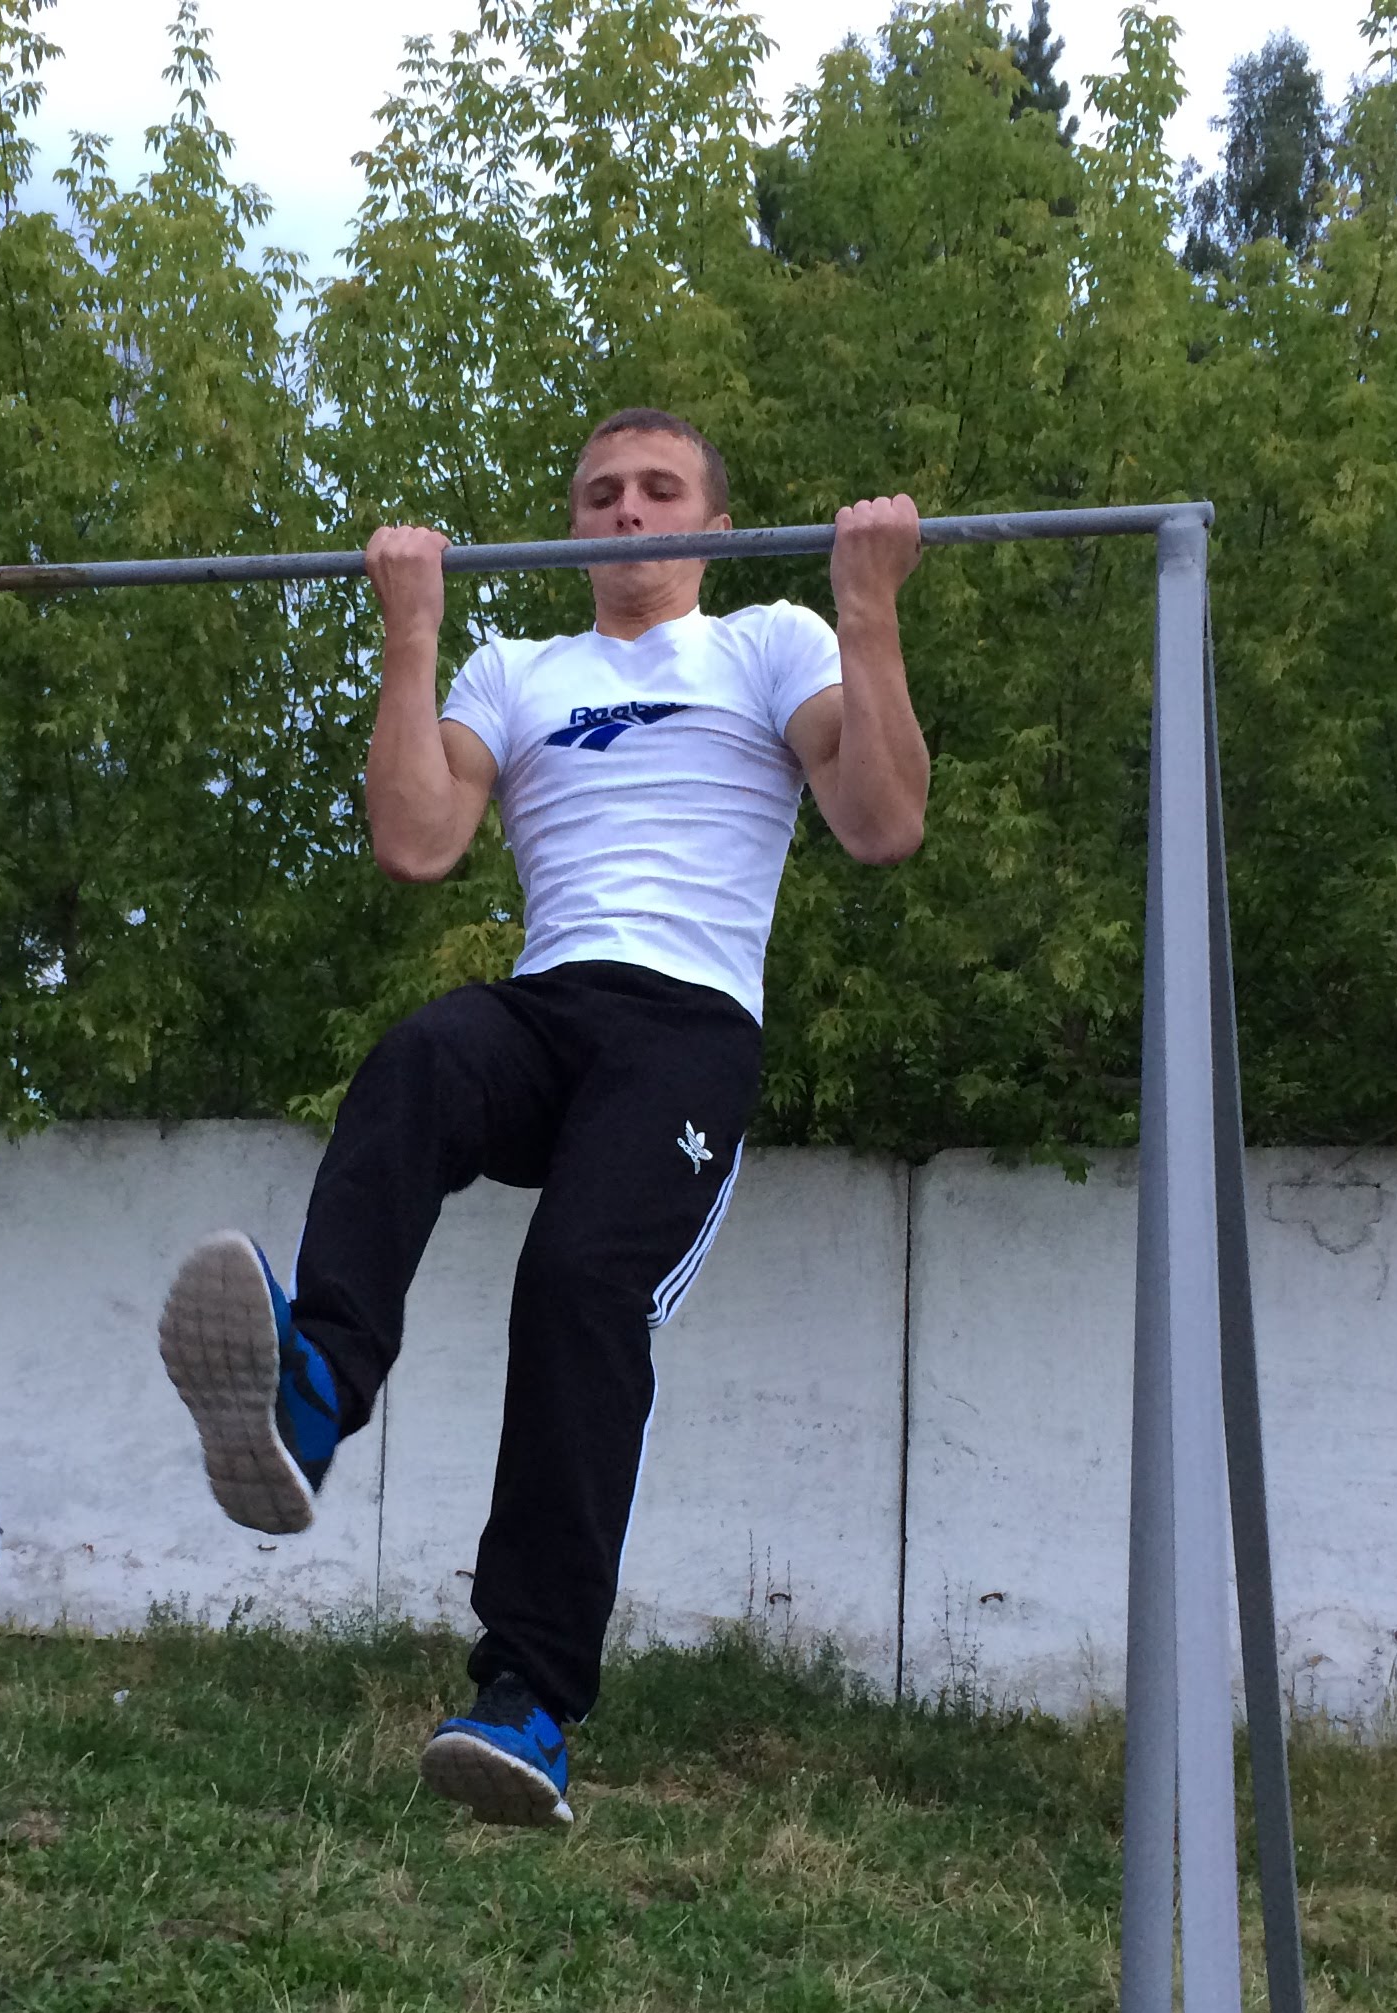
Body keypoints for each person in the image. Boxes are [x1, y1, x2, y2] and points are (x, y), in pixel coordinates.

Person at [156, 407, 927, 1828]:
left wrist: (868, 609)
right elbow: (418, 842)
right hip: (550, 1004)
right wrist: (411, 634)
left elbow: (881, 823)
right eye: (599, 493)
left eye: (660, 490)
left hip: (685, 1034)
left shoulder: (769, 643)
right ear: (571, 526)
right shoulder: (518, 669)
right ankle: (314, 1391)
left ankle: (527, 1695)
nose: (627, 512)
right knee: (420, 1059)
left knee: (579, 1283)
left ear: (713, 523)